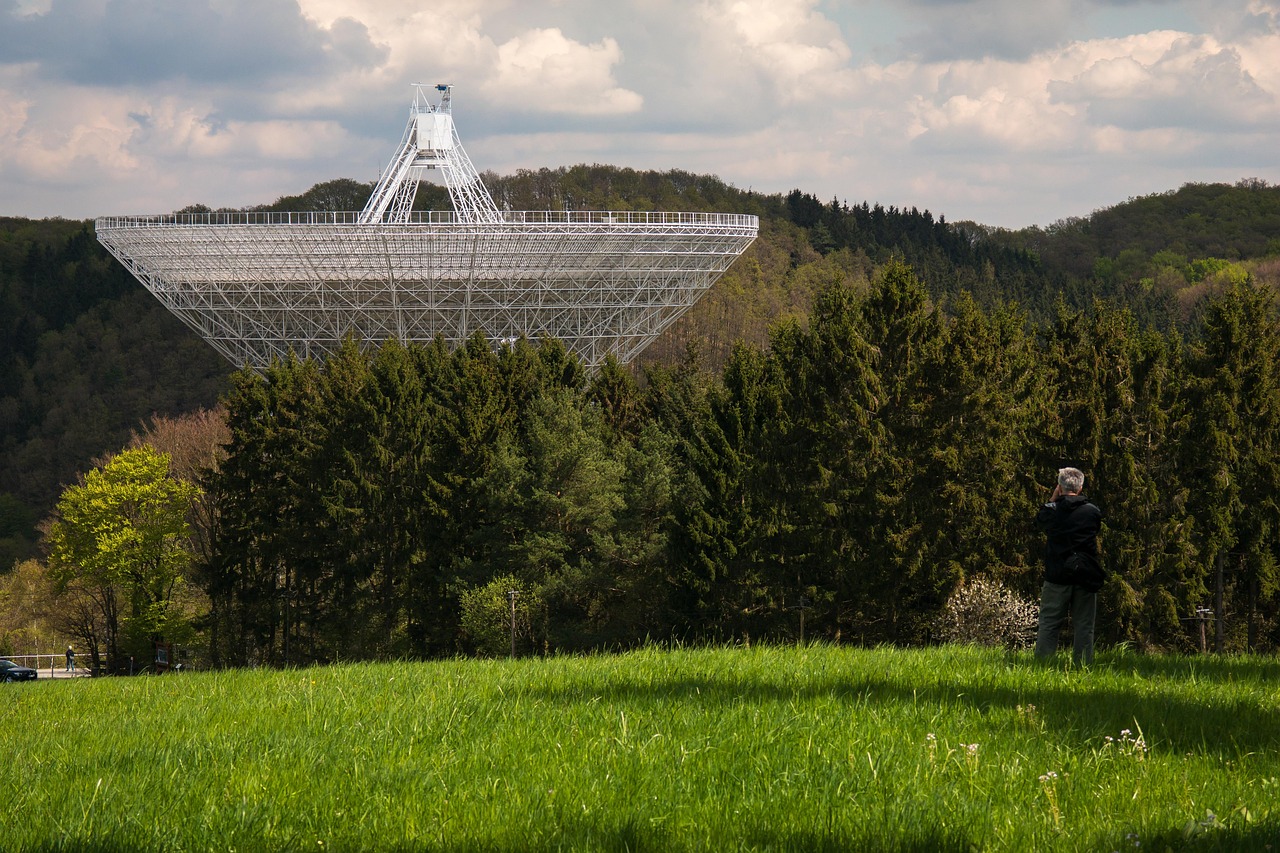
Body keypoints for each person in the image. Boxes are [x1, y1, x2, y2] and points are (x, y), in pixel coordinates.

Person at [1034, 467, 1103, 665]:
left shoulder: (1052, 511)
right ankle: (1082, 665)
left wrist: (1053, 500)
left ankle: (1043, 665)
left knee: (1049, 623)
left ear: (1060, 486)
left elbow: (1040, 522)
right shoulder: (1092, 511)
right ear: (1081, 487)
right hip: (1085, 573)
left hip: (1057, 574)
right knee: (1084, 625)